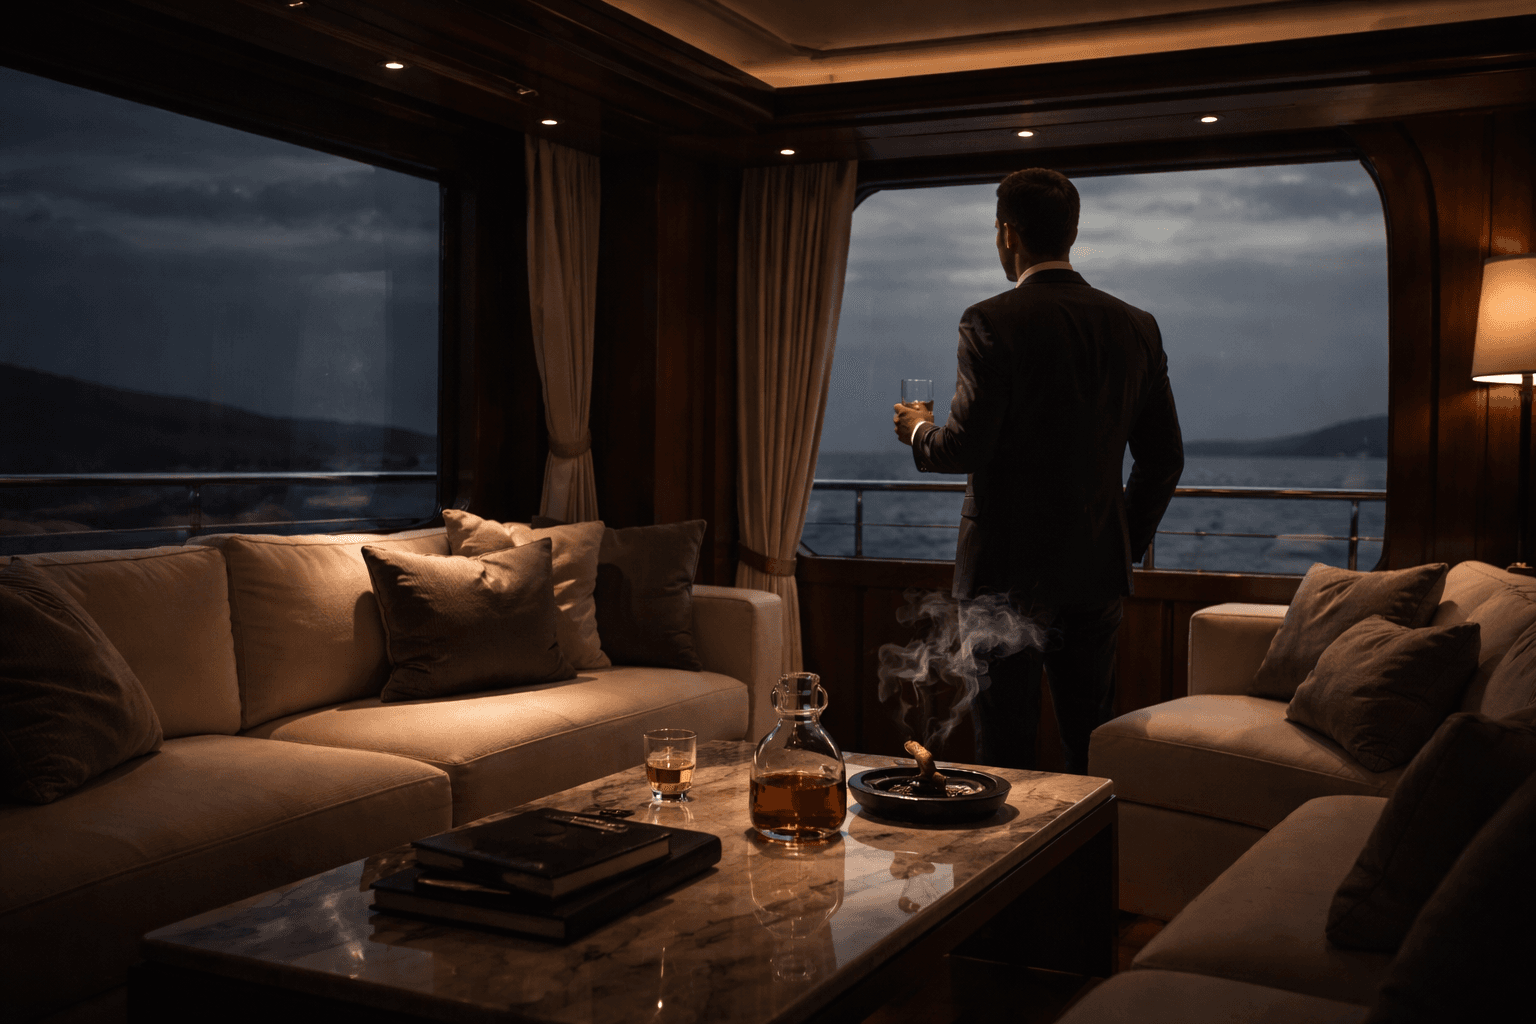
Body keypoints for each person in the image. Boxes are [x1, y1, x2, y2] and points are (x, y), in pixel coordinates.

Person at [891, 167, 1183, 774]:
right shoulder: (1137, 325)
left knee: (1004, 752)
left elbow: (963, 448)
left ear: (1007, 233)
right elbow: (1163, 458)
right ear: (1071, 232)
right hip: (1096, 571)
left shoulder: (990, 320)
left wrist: (918, 430)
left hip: (1004, 574)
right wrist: (1120, 544)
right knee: (1090, 740)